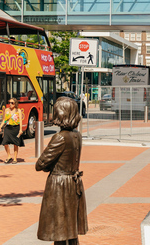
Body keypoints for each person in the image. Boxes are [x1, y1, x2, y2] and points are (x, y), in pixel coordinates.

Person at [35, 97, 88, 244]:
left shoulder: (60, 137)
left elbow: (40, 164)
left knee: (59, 230)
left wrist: (50, 166)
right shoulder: (77, 136)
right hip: (73, 182)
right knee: (71, 229)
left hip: (59, 185)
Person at [2, 98, 25, 164]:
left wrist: (20, 130)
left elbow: (20, 121)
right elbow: (4, 120)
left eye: (12, 103)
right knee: (5, 142)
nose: (10, 104)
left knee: (15, 144)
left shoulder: (18, 111)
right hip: (8, 128)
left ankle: (15, 158)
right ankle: (9, 156)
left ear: (15, 104)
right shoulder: (6, 110)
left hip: (15, 128)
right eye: (9, 102)